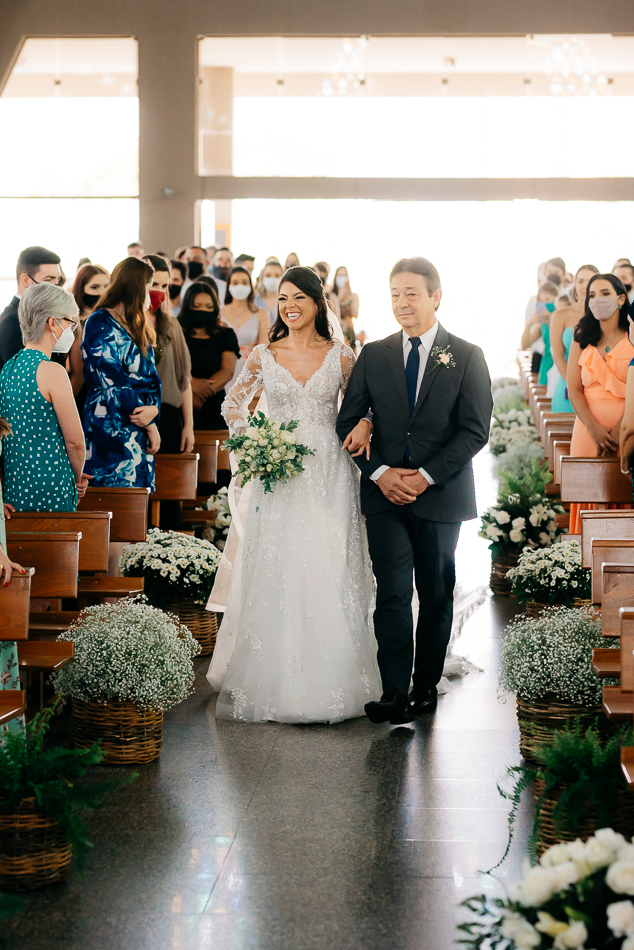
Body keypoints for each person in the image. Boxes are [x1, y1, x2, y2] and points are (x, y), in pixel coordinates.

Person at [207, 265, 380, 722]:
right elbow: (233, 404)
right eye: (284, 298)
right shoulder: (264, 355)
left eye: (300, 298)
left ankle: (338, 673)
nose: (290, 306)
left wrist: (364, 423)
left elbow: (366, 405)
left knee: (329, 557)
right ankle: (278, 676)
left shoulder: (340, 353)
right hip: (279, 468)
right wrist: (256, 443)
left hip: (330, 468)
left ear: (317, 303)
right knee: (282, 562)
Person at [337, 256, 493, 725]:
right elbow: (349, 420)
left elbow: (474, 431)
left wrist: (424, 476)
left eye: (410, 293)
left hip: (440, 494)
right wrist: (381, 472)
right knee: (392, 591)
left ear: (435, 297)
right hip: (384, 495)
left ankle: (425, 686)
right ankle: (393, 692)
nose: (401, 303)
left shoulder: (466, 355)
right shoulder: (375, 353)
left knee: (436, 590)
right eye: (394, 294)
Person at [0, 284, 90, 512]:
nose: (72, 330)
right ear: (52, 323)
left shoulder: (8, 369)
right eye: (70, 322)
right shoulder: (53, 371)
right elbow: (75, 443)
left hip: (15, 488)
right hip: (51, 489)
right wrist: (77, 479)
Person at [81, 257, 162, 490]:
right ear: (136, 288)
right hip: (109, 423)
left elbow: (152, 379)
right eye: (149, 288)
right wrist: (150, 425)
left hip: (141, 423)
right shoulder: (99, 322)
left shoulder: (139, 324)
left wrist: (154, 411)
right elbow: (113, 381)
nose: (152, 294)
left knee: (137, 503)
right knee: (114, 501)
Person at [567, 273, 634, 534]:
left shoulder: (632, 336)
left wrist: (620, 431)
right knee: (588, 499)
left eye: (605, 293)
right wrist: (594, 428)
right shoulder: (581, 336)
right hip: (587, 430)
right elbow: (573, 389)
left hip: (627, 429)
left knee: (622, 497)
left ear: (620, 299)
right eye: (592, 295)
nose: (597, 300)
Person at [144, 256, 194, 454]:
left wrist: (188, 425)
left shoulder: (171, 325)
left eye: (164, 285)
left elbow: (184, 379)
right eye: (154, 284)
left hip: (169, 415)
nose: (158, 291)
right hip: (136, 416)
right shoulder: (125, 326)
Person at [179, 281, 240, 429]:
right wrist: (191, 385)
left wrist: (202, 394)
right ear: (188, 306)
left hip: (213, 405)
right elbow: (170, 368)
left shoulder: (226, 334)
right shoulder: (176, 332)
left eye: (209, 307)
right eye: (197, 306)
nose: (203, 311)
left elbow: (227, 371)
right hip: (181, 402)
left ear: (215, 308)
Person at [0, 246, 61, 368]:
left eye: (58, 280)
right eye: (49, 280)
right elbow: (21, 376)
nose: (56, 286)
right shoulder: (12, 321)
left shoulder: (37, 313)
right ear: (26, 280)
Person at [550, 265, 599, 412]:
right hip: (567, 387)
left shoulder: (604, 315)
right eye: (581, 281)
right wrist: (575, 388)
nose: (584, 285)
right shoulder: (560, 315)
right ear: (575, 284)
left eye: (589, 281)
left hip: (597, 390)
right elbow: (558, 357)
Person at [68, 264, 111, 402]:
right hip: (87, 399)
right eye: (94, 287)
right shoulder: (76, 323)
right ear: (81, 289)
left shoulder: (115, 321)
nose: (102, 292)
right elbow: (78, 374)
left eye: (106, 286)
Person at [221, 267, 270, 385]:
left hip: (250, 372)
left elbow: (265, 347)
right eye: (235, 283)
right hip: (223, 368)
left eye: (244, 283)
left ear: (250, 286)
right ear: (229, 286)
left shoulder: (261, 313)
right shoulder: (219, 313)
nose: (240, 286)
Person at [520, 281, 558, 353]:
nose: (544, 303)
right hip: (545, 361)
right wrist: (530, 324)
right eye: (541, 301)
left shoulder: (562, 318)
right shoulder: (541, 324)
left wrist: (551, 319)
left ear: (556, 299)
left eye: (547, 299)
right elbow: (525, 346)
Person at [330, 266, 360, 346]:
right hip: (335, 331)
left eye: (344, 275)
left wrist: (349, 298)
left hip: (348, 332)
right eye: (340, 275)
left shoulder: (353, 296)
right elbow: (331, 311)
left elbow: (355, 314)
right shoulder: (331, 295)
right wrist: (340, 297)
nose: (342, 278)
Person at [255, 260, 283, 325]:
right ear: (262, 277)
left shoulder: (286, 301)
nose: (272, 279)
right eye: (268, 275)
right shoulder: (255, 300)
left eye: (276, 276)